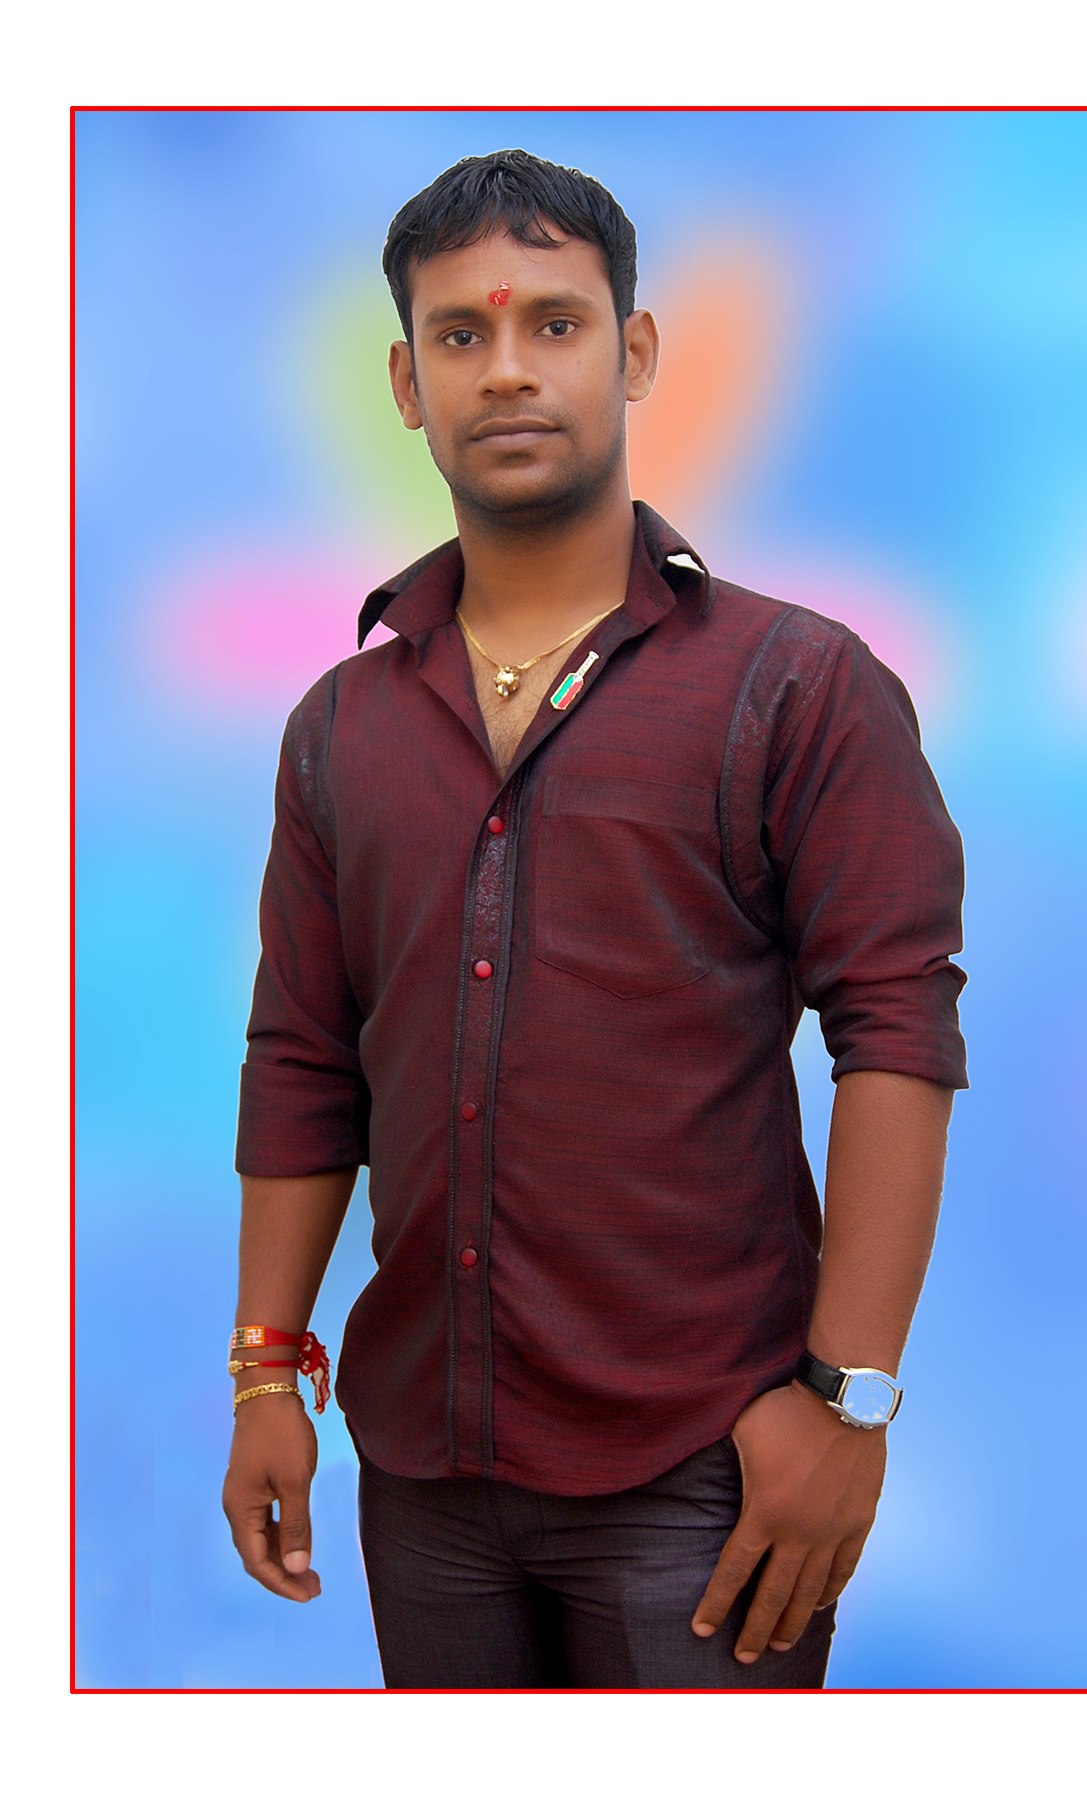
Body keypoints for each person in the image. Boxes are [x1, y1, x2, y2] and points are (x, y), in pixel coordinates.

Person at [221, 148, 969, 1692]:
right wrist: (265, 1375)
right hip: (420, 1473)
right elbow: (303, 1058)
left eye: (554, 325)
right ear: (407, 383)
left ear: (632, 354)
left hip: (703, 1471)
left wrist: (849, 1404)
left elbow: (895, 1032)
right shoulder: (341, 726)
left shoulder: (798, 687)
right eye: (461, 334)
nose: (508, 371)